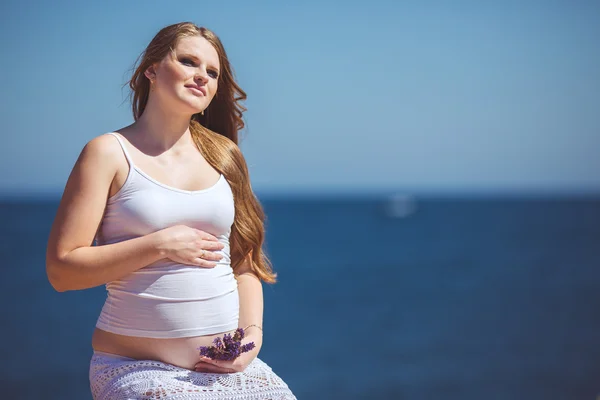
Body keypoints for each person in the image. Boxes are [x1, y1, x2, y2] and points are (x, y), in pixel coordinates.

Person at [45, 22, 297, 400]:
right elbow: (63, 271)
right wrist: (160, 244)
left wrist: (251, 340)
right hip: (138, 370)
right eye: (189, 61)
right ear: (151, 69)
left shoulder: (226, 157)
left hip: (231, 371)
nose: (202, 77)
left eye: (212, 72)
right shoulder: (108, 153)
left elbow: (244, 263)